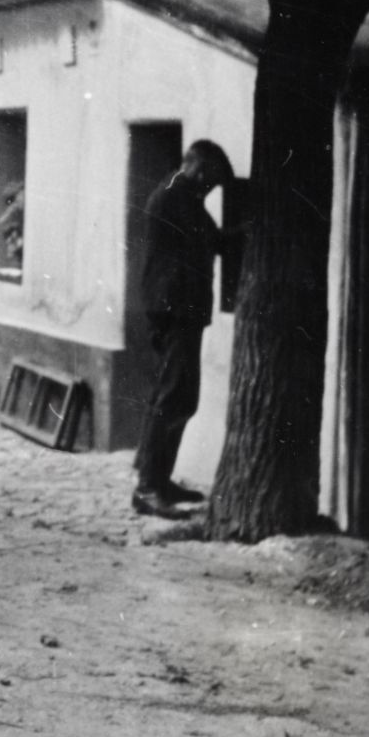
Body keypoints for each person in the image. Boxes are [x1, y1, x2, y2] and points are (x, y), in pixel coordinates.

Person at [132, 139, 235, 519]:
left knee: (176, 396)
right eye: (211, 180)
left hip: (179, 310)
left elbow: (213, 239)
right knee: (174, 397)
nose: (210, 188)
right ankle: (148, 486)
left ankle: (158, 480)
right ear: (198, 168)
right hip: (175, 310)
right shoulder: (175, 196)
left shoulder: (182, 195)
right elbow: (208, 238)